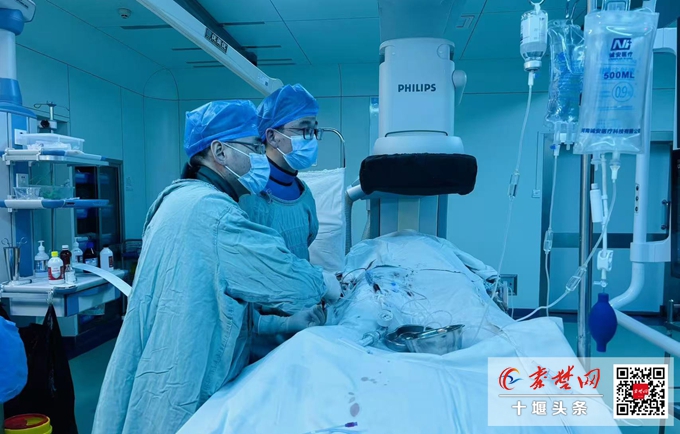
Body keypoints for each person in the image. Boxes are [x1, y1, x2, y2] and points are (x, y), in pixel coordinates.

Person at [91, 100, 340, 434]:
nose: (260, 158)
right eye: (254, 148)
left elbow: (216, 302)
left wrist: (286, 322)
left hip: (160, 360)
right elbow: (284, 276)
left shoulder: (177, 199)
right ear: (220, 151)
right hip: (184, 379)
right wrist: (324, 283)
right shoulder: (215, 214)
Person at [239, 83, 321, 261]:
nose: (312, 138)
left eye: (314, 130)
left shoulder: (303, 193)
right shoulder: (249, 194)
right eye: (304, 129)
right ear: (272, 136)